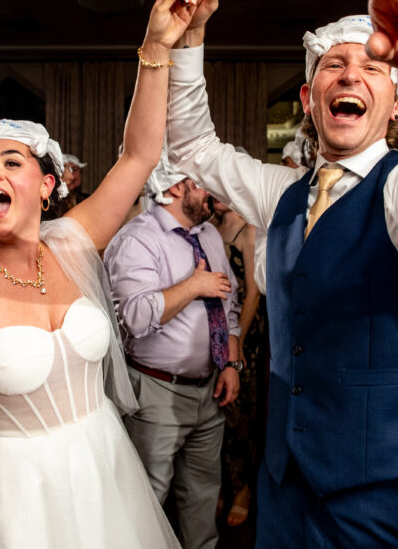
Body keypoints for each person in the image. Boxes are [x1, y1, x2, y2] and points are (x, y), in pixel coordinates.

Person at [164, 0, 398, 546]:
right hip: (286, 479)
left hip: (385, 490)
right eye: (333, 66)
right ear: (308, 98)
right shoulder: (280, 191)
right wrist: (191, 38)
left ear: (396, 104)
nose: (349, 75)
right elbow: (191, 146)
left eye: (372, 67)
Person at [0, 0, 206, 549]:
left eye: (12, 162)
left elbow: (141, 154)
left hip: (102, 467)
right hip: (15, 491)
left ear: (47, 186)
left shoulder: (72, 243)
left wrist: (156, 46)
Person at [103, 151, 241, 548]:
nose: (211, 192)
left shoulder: (209, 235)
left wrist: (231, 363)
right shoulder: (137, 239)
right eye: (201, 183)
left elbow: (228, 304)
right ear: (176, 187)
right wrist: (193, 286)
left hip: (210, 390)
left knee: (201, 498)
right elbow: (135, 317)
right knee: (146, 499)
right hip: (157, 393)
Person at [210, 197, 268, 528]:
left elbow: (253, 292)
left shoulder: (249, 230)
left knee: (241, 411)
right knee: (217, 408)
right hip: (216, 327)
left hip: (245, 331)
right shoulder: (211, 227)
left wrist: (239, 341)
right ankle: (221, 482)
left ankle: (243, 487)